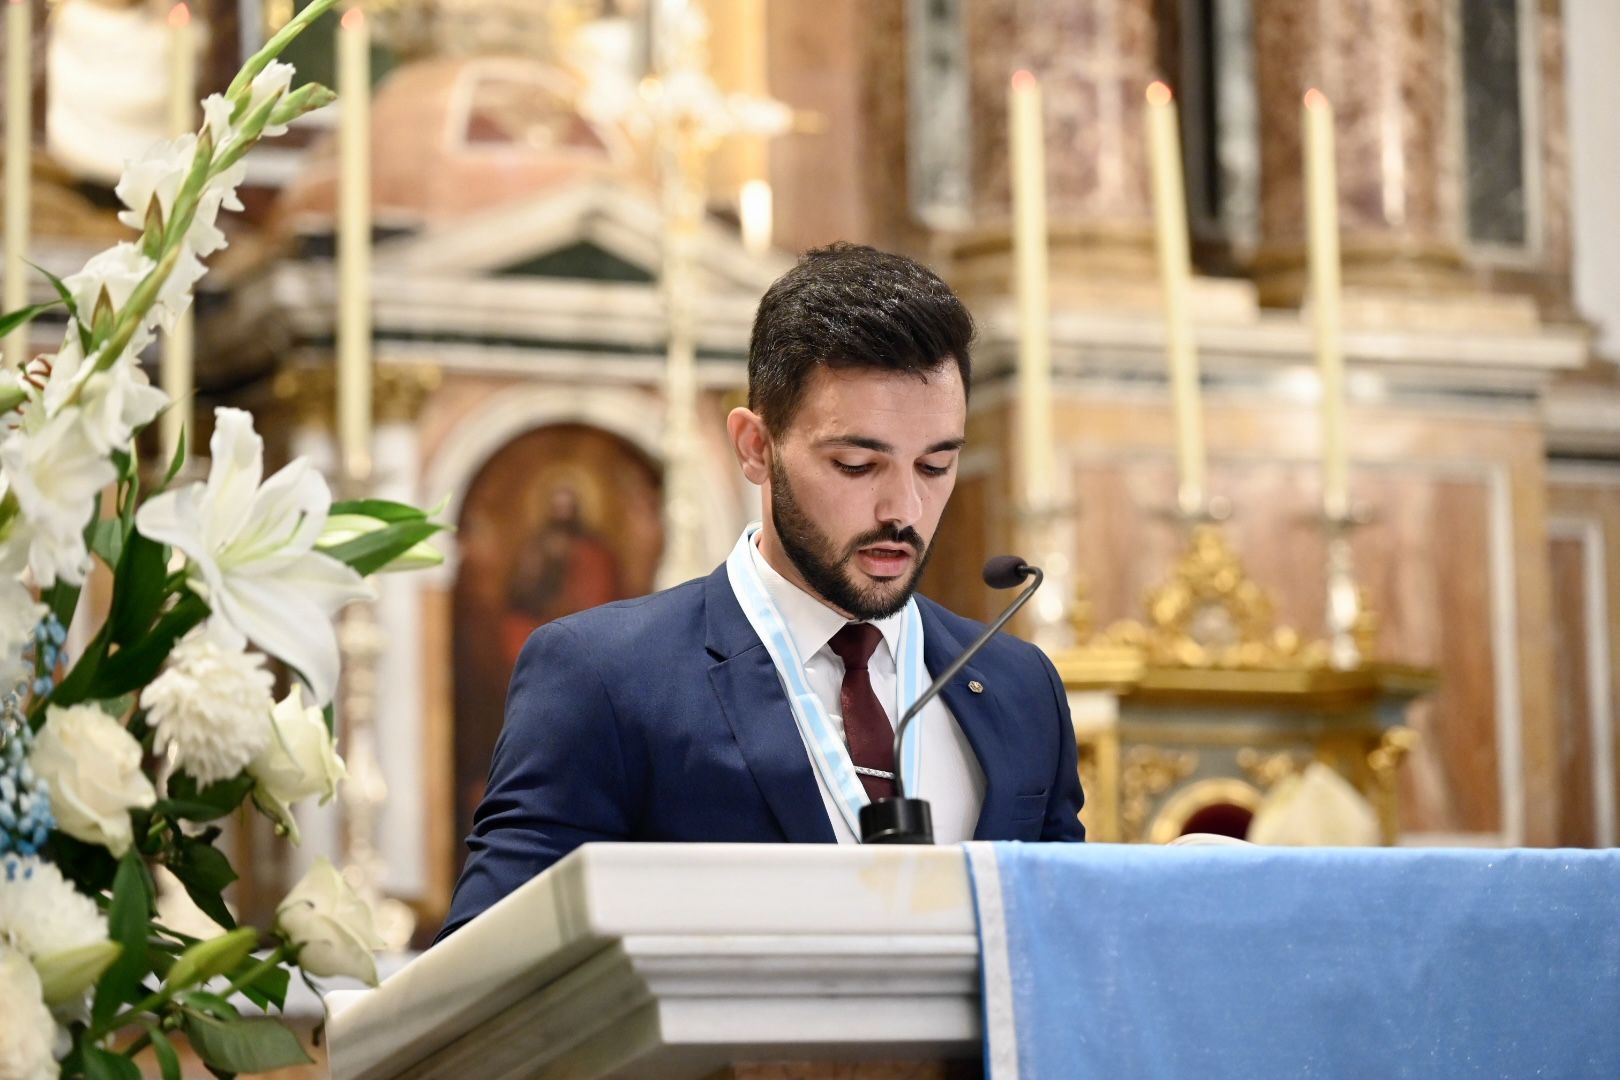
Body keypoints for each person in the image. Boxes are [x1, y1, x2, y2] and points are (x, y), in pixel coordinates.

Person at [439, 243, 1084, 940]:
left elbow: (1066, 953)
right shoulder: (604, 678)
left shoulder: (1018, 687)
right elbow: (487, 968)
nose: (903, 507)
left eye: (935, 465)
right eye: (857, 464)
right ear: (754, 446)